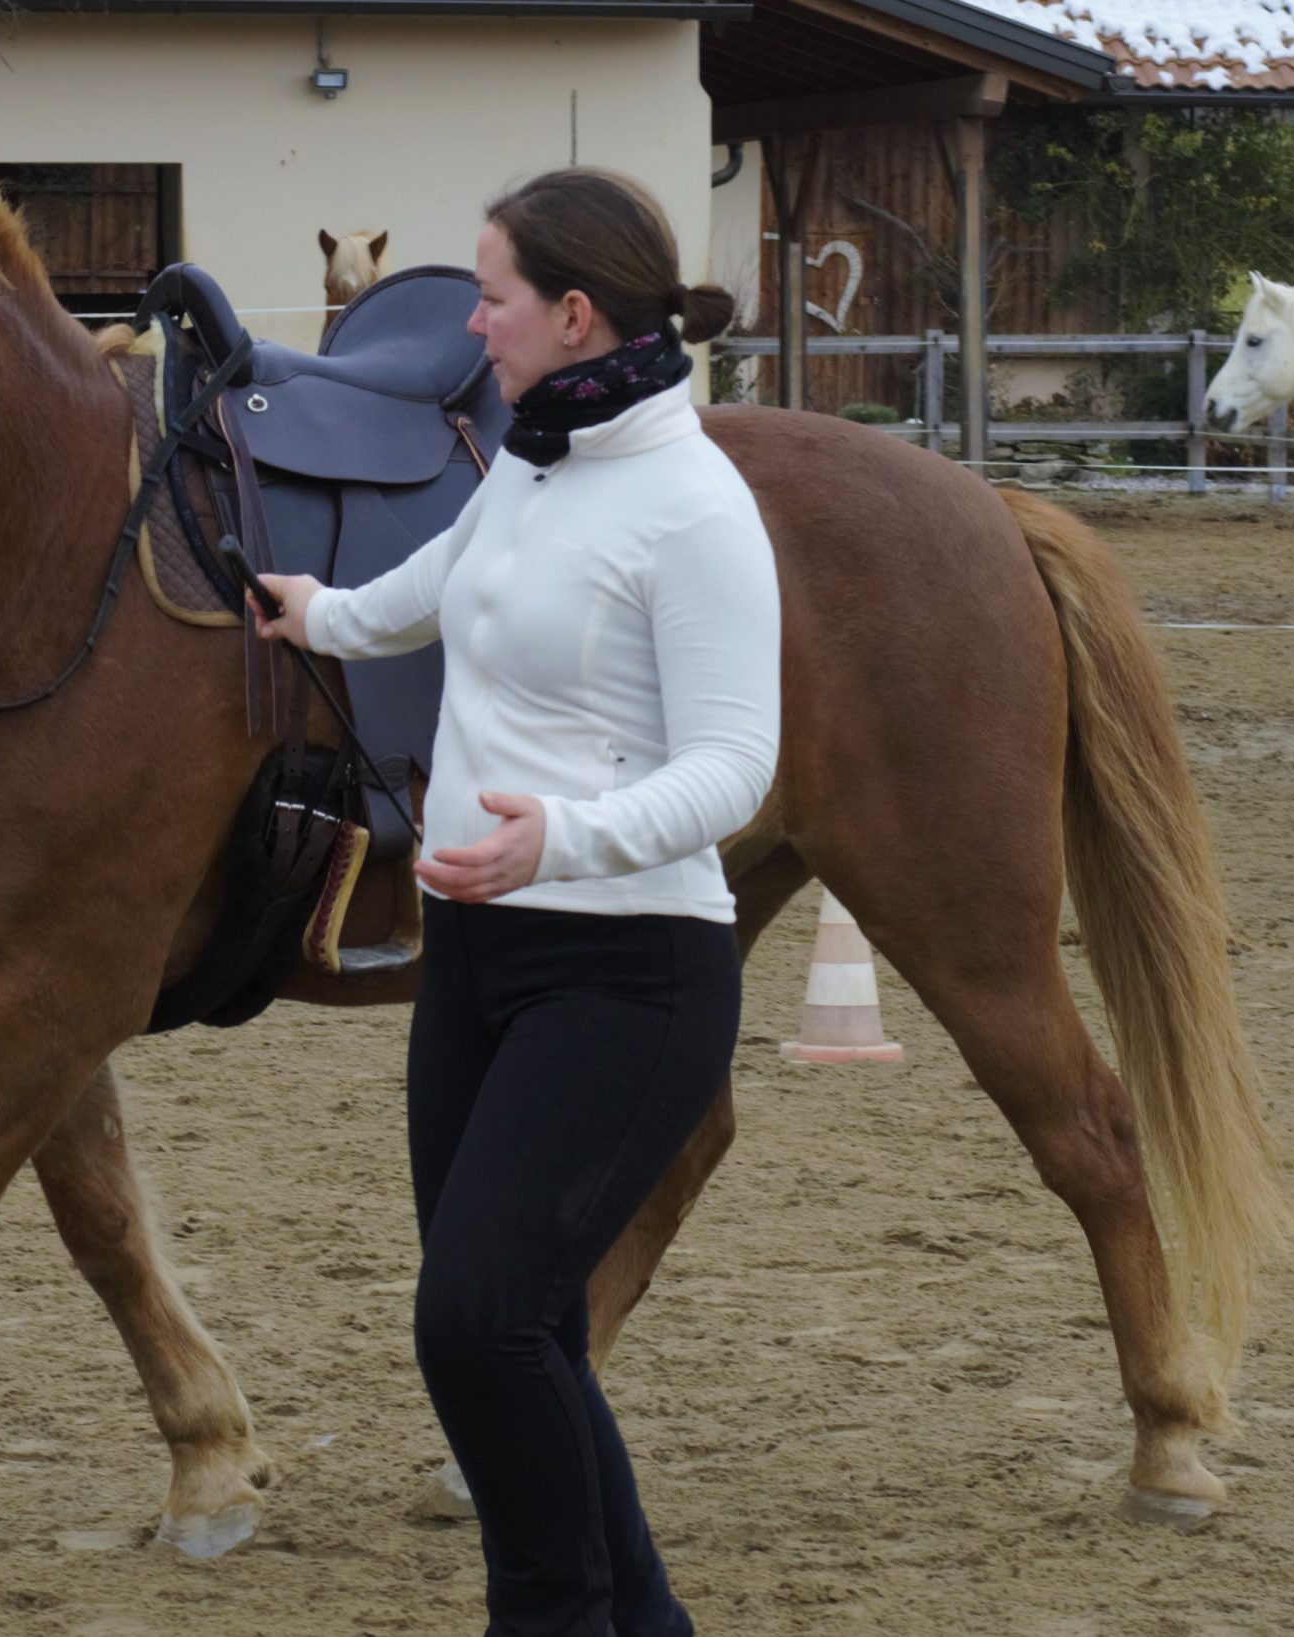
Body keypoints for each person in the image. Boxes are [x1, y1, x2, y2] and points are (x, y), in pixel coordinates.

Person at [251, 168, 781, 1637]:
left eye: (488, 296)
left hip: (632, 974)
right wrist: (320, 613)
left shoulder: (694, 504)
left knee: (474, 1322)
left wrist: (565, 836)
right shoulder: (536, 463)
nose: (466, 323)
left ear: (571, 311)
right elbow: (445, 583)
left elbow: (739, 765)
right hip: (477, 960)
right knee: (521, 1321)